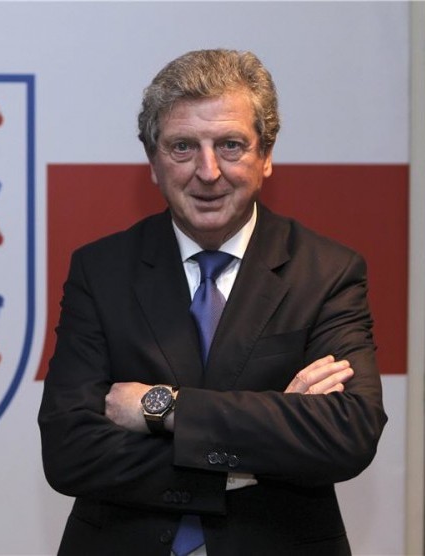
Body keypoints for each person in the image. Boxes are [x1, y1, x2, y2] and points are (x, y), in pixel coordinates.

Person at [38, 49, 387, 556]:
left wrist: (161, 408)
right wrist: (252, 453)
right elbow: (70, 451)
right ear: (153, 162)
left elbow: (347, 434)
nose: (208, 171)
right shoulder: (101, 269)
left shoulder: (328, 271)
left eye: (230, 145)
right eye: (182, 146)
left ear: (265, 156)